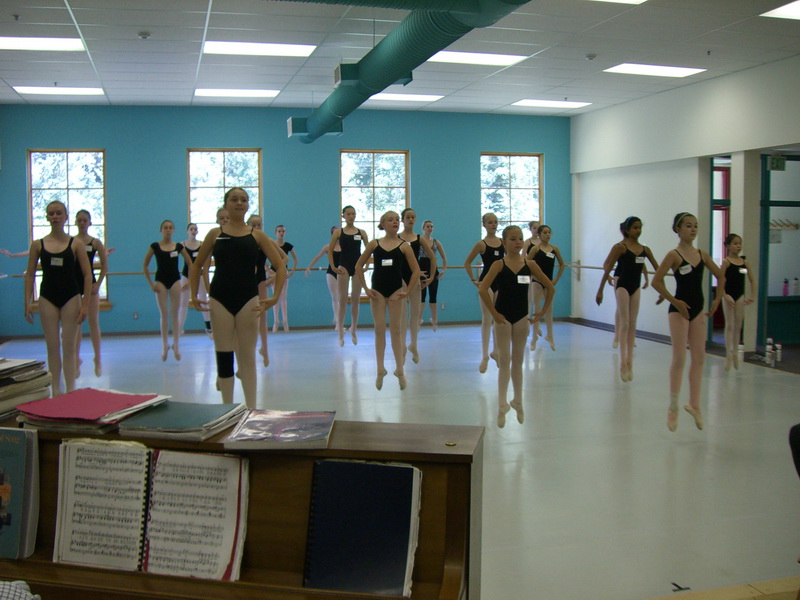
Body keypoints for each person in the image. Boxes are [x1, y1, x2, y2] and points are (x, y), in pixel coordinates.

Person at [190, 188, 286, 407]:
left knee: (247, 356)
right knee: (224, 355)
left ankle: (251, 409)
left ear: (247, 205)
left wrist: (275, 296)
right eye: (234, 199)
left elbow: (280, 265)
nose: (239, 203)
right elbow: (196, 266)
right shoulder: (215, 234)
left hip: (248, 299)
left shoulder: (257, 235)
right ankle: (227, 410)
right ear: (226, 204)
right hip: (220, 299)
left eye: (243, 199)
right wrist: (194, 295)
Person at [652, 212, 725, 432]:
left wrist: (717, 300)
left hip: (698, 310)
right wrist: (675, 302)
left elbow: (721, 276)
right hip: (678, 311)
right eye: (688, 226)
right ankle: (673, 406)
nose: (693, 229)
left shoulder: (702, 254)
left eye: (695, 226)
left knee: (699, 358)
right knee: (680, 358)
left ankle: (695, 404)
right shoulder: (674, 255)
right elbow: (657, 281)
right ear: (678, 229)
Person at [479, 225, 554, 427]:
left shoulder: (530, 264)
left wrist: (542, 312)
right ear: (504, 242)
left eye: (520, 238)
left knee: (518, 360)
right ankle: (502, 403)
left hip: (522, 317)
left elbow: (550, 287)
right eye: (512, 239)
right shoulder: (498, 264)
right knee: (505, 360)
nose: (517, 242)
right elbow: (483, 289)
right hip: (503, 318)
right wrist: (494, 313)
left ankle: (518, 400)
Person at [24, 200, 92, 396]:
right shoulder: (38, 245)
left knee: (69, 347)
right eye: (51, 213)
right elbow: (30, 274)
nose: (55, 216)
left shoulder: (76, 243)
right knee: (52, 346)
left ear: (66, 217)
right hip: (47, 297)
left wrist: (85, 305)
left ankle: (71, 389)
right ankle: (56, 390)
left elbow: (87, 275)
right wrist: (27, 302)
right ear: (47, 217)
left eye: (58, 213)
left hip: (71, 296)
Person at [356, 211, 420, 391]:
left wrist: (408, 291)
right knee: (379, 330)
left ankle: (400, 370)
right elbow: (358, 266)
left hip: (396, 290)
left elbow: (415, 270)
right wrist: (365, 288)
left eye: (397, 220)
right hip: (377, 290)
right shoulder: (374, 244)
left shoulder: (404, 246)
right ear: (383, 224)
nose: (395, 222)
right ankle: (380, 369)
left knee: (396, 330)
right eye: (391, 220)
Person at [595, 216, 659, 382]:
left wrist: (660, 288)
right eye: (635, 228)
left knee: (633, 323)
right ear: (627, 230)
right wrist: (600, 290)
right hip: (622, 284)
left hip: (635, 287)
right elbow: (607, 266)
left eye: (640, 227)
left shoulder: (645, 250)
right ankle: (623, 362)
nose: (638, 230)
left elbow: (657, 269)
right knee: (625, 322)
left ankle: (630, 361)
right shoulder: (620, 247)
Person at [142, 220, 192, 361]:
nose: (168, 230)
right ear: (161, 230)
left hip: (175, 280)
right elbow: (145, 265)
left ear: (173, 230)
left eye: (170, 228)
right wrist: (151, 283)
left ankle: (176, 345)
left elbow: (190, 263)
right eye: (165, 228)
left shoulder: (178, 247)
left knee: (175, 314)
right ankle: (165, 345)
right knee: (164, 314)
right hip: (160, 281)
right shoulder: (155, 246)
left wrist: (189, 281)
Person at [464, 213, 504, 373]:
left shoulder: (503, 243)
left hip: (500, 283)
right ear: (484, 225)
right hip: (486, 283)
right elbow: (467, 262)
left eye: (495, 222)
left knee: (499, 318)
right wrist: (473, 280)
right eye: (490, 222)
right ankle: (485, 356)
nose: (493, 224)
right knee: (487, 319)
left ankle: (496, 351)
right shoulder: (481, 244)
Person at [73, 209, 108, 377]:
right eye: (79, 220)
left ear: (89, 223)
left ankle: (98, 359)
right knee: (76, 324)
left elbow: (105, 267)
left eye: (84, 220)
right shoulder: (72, 242)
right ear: (75, 222)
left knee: (93, 323)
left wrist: (98, 284)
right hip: (75, 285)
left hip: (91, 285)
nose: (82, 223)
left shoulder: (95, 242)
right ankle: (76, 359)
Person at [399, 208, 436, 364]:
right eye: (408, 217)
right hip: (400, 279)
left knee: (415, 314)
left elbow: (433, 258)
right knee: (402, 314)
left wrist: (431, 277)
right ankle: (402, 346)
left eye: (413, 217)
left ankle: (413, 344)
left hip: (415, 278)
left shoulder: (419, 239)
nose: (411, 219)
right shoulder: (397, 238)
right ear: (402, 219)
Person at [329, 205, 369, 346]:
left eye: (353, 214)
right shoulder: (338, 232)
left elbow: (368, 251)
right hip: (344, 266)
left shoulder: (362, 232)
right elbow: (330, 250)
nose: (351, 216)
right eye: (349, 214)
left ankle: (354, 329)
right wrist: (333, 266)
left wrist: (366, 265)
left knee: (356, 300)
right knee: (342, 300)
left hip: (357, 267)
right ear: (343, 216)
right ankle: (340, 330)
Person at [720, 233, 756, 371]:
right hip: (728, 296)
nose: (738, 246)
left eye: (740, 243)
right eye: (735, 243)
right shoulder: (726, 262)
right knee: (730, 325)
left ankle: (735, 352)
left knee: (738, 325)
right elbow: (720, 280)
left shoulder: (744, 263)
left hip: (740, 296)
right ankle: (728, 354)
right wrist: (725, 295)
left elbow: (752, 280)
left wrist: (752, 295)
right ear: (728, 246)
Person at [527, 225, 565, 351]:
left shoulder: (554, 249)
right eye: (545, 232)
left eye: (549, 232)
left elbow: (562, 264)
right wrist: (534, 276)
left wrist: (556, 279)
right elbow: (527, 264)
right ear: (539, 234)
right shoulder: (535, 249)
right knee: (537, 309)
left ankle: (550, 336)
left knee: (549, 310)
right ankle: (534, 338)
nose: (547, 234)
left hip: (549, 283)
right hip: (537, 282)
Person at [178, 223, 211, 336]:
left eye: (195, 229)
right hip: (186, 275)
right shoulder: (181, 245)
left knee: (203, 300)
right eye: (191, 229)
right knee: (183, 302)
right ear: (187, 231)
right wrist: (188, 281)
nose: (193, 231)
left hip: (199, 276)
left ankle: (208, 327)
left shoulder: (202, 244)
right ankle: (179, 328)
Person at [305, 226, 341, 328]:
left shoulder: (345, 246)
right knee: (334, 297)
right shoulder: (327, 247)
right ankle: (337, 321)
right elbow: (317, 257)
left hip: (341, 273)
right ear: (331, 234)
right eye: (334, 233)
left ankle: (338, 319)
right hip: (331, 272)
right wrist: (309, 267)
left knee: (340, 297)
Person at [419, 220, 447, 331]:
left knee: (433, 295)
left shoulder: (436, 242)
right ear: (423, 228)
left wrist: (443, 270)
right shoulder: (419, 240)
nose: (430, 228)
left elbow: (444, 257)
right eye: (428, 226)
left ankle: (434, 319)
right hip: (422, 270)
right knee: (422, 296)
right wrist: (416, 271)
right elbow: (413, 256)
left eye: (431, 226)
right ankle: (418, 319)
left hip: (433, 270)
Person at [270, 224, 297, 332]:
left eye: (283, 231)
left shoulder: (288, 245)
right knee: (275, 297)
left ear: (285, 233)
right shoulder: (272, 244)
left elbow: (295, 259)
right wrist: (267, 270)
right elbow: (264, 257)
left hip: (284, 272)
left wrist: (292, 272)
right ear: (275, 233)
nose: (281, 233)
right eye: (279, 231)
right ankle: (276, 321)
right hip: (273, 271)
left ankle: (285, 321)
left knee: (283, 297)